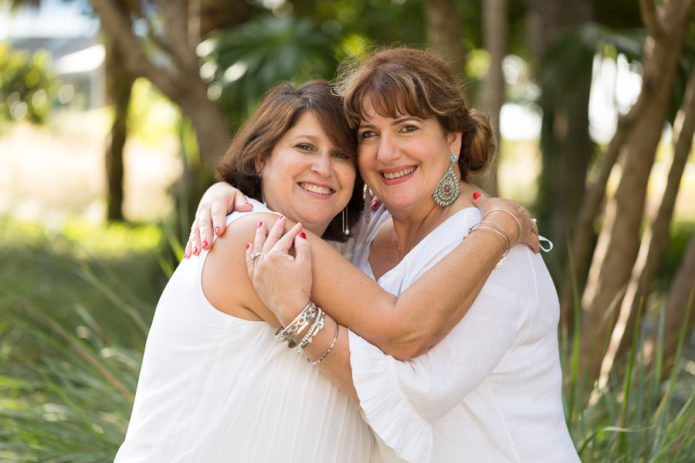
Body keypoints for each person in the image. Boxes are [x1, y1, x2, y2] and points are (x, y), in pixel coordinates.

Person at [116, 79, 536, 462]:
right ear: (261, 157)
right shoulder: (261, 239)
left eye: (341, 154)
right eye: (304, 147)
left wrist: (482, 199)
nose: (324, 167)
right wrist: (500, 226)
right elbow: (399, 328)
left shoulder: (344, 248)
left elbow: (420, 188)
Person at [191, 48, 579, 462]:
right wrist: (234, 194)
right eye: (368, 135)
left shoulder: (500, 256)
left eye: (407, 128)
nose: (386, 153)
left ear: (453, 139)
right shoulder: (367, 227)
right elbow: (299, 195)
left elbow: (417, 393)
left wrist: (297, 313)